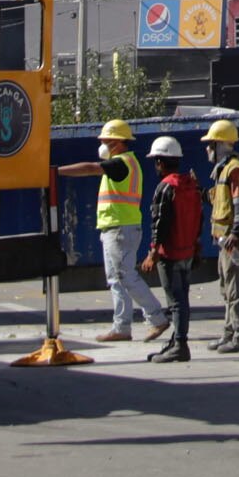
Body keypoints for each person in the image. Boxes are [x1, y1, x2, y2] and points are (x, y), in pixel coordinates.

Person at [55, 119, 168, 344]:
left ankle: (157, 318)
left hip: (120, 229)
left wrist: (56, 172)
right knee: (116, 279)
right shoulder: (126, 162)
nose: (103, 145)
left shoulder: (120, 163)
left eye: (106, 141)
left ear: (117, 142)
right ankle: (122, 327)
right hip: (115, 228)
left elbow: (90, 168)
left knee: (125, 276)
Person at [139, 133, 204, 363]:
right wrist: (196, 246)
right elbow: (199, 218)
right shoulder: (191, 185)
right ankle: (177, 341)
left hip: (170, 254)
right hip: (187, 251)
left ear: (160, 162)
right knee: (182, 300)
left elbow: (159, 223)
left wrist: (153, 253)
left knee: (175, 302)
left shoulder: (165, 188)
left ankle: (180, 345)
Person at [203, 120, 239, 353]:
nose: (207, 149)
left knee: (236, 290)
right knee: (227, 289)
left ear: (220, 145)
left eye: (210, 144)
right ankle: (229, 334)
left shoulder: (234, 169)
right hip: (224, 240)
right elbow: (220, 202)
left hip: (233, 240)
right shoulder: (223, 171)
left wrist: (235, 233)